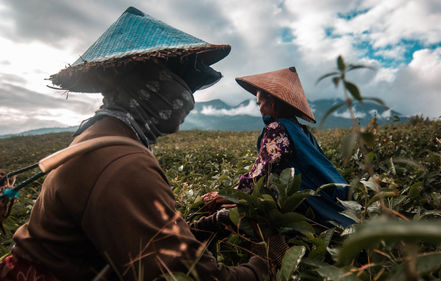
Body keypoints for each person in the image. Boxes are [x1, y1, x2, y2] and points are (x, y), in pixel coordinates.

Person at [0, 7, 286, 281]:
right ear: (150, 84)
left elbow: (131, 235)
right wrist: (265, 264)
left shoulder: (99, 136)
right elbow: (186, 276)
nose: (189, 98)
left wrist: (202, 228)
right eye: (184, 83)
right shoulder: (122, 163)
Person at [204, 67, 355, 228]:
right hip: (323, 201)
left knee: (222, 217)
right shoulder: (302, 131)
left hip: (302, 205)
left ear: (272, 101)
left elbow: (260, 174)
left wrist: (222, 196)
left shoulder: (277, 128)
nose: (260, 108)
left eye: (260, 102)